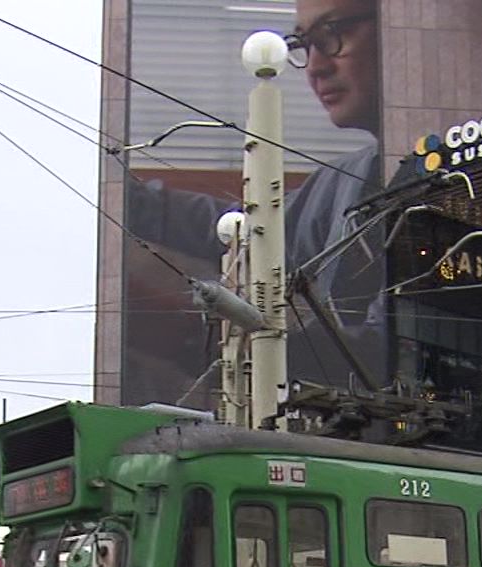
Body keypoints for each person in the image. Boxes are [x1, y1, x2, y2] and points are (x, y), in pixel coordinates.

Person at [122, 0, 387, 395]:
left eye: (332, 35)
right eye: (304, 44)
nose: (315, 67)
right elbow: (248, 228)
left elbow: (386, 346)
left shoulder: (464, 175)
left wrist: (242, 346)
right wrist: (129, 200)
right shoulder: (338, 184)